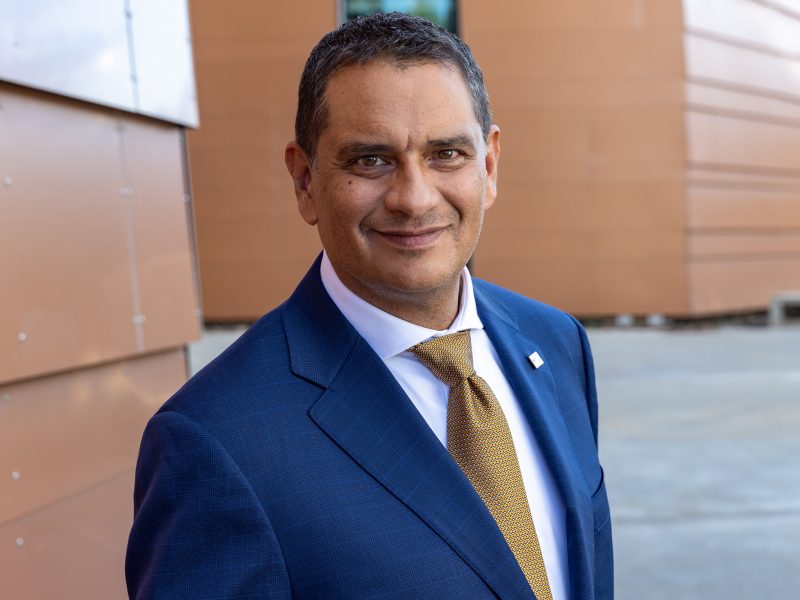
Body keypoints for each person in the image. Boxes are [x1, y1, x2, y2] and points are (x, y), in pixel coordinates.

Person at [126, 12, 612, 600]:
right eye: (370, 160)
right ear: (305, 181)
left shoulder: (557, 344)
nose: (413, 197)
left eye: (447, 154)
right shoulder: (216, 441)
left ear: (489, 165)